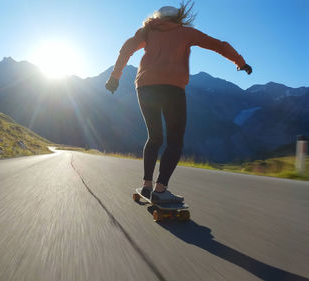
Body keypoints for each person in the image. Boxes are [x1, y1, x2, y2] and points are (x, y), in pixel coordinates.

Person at [105, 1, 252, 203]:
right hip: (172, 89)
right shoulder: (185, 32)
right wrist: (240, 62)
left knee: (154, 137)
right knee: (175, 140)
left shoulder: (147, 31)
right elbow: (219, 45)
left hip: (145, 87)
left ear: (157, 17)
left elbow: (126, 49)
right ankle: (160, 188)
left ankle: (147, 185)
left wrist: (115, 76)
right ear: (178, 18)